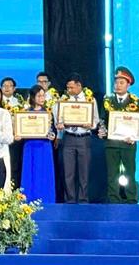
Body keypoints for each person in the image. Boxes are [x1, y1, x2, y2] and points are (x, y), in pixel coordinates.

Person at [55, 73, 99, 203]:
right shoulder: (64, 101)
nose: (69, 90)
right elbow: (59, 119)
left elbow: (95, 119)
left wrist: (91, 125)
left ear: (79, 85)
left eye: (71, 87)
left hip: (84, 137)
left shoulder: (90, 100)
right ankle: (70, 199)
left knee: (84, 171)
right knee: (68, 172)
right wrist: (60, 124)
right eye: (67, 87)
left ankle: (83, 199)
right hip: (68, 137)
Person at [102, 66, 139, 204]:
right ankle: (114, 199)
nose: (117, 85)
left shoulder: (135, 102)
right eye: (116, 82)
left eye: (121, 83)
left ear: (128, 85)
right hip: (111, 143)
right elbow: (102, 120)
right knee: (112, 173)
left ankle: (131, 198)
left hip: (128, 143)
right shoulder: (107, 101)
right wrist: (101, 130)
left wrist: (134, 137)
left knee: (129, 172)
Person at [20, 86, 56, 203]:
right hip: (30, 145)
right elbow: (20, 130)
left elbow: (52, 131)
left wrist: (52, 136)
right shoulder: (25, 113)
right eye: (39, 96)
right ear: (32, 97)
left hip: (44, 146)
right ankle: (28, 200)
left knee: (44, 172)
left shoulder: (48, 113)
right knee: (30, 172)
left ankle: (47, 200)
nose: (42, 98)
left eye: (43, 96)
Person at [0, 77, 25, 188]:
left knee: (14, 165)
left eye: (9, 86)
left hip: (15, 138)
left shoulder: (20, 103)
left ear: (14, 88)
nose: (7, 88)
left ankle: (14, 189)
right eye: (4, 86)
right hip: (0, 138)